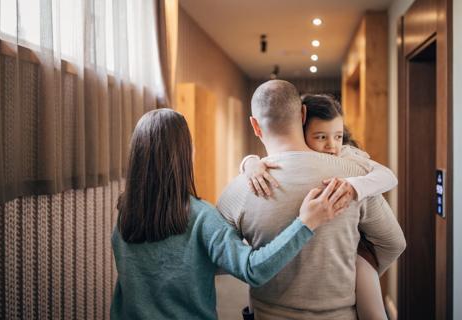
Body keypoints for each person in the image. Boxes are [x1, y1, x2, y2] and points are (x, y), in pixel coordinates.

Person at [110, 108, 353, 320]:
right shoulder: (200, 217)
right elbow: (252, 270)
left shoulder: (125, 216)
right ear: (184, 154)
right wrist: (306, 223)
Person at [217, 80, 406, 320]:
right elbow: (393, 243)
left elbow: (220, 261)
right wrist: (355, 273)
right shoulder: (351, 178)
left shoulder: (239, 189)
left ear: (255, 125)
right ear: (303, 114)